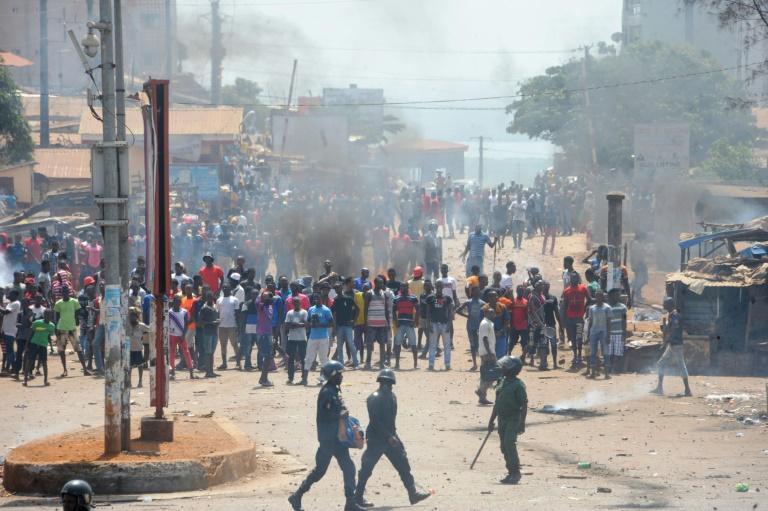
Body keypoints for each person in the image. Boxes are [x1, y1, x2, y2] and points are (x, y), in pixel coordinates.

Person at [289, 361, 365, 511]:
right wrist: (339, 414)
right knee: (320, 471)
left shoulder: (334, 390)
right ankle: (296, 496)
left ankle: (350, 503)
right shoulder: (326, 393)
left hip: (337, 439)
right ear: (332, 376)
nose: (342, 377)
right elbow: (324, 415)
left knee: (349, 468)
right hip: (328, 440)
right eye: (339, 374)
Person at [354, 369, 430, 508]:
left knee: (403, 464)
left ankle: (412, 493)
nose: (386, 385)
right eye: (386, 382)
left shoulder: (390, 396)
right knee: (366, 468)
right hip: (377, 439)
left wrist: (395, 438)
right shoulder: (374, 398)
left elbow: (391, 422)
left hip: (389, 437)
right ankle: (357, 496)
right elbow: (375, 421)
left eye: (388, 383)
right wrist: (390, 436)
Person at [487, 356, 528, 485]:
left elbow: (524, 404)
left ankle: (516, 472)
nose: (502, 368)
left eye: (505, 367)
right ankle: (510, 472)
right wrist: (491, 420)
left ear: (512, 370)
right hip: (502, 419)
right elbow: (497, 403)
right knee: (504, 446)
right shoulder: (501, 382)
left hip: (513, 418)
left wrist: (522, 422)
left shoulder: (518, 385)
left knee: (510, 442)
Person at [651, 297, 692, 396]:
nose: (664, 306)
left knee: (681, 366)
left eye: (665, 304)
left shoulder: (675, 316)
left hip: (676, 344)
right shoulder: (671, 315)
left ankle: (687, 390)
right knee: (661, 363)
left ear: (670, 305)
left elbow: (674, 331)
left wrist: (666, 341)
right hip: (672, 344)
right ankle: (659, 388)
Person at [53, 287, 89, 377]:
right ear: (61, 293)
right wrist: (56, 330)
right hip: (61, 328)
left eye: (66, 292)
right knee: (62, 350)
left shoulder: (74, 302)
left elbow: (78, 311)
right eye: (63, 292)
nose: (65, 293)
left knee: (79, 350)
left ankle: (85, 369)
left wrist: (76, 319)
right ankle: (65, 370)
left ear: (69, 292)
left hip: (72, 329)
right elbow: (56, 318)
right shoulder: (58, 304)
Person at [455, 285, 486, 371]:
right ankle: (475, 364)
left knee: (481, 345)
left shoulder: (483, 303)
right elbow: (457, 310)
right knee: (472, 345)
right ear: (472, 292)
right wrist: (467, 316)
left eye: (478, 291)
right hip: (471, 326)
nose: (477, 293)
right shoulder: (468, 302)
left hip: (480, 326)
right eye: (475, 291)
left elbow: (487, 313)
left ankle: (482, 364)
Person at [305, 294, 333, 384]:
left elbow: (331, 323)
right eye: (315, 298)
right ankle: (304, 379)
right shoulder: (311, 309)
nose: (316, 300)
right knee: (309, 357)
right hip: (312, 337)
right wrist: (311, 324)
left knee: (323, 358)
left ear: (322, 299)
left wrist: (320, 325)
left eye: (318, 298)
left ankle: (322, 379)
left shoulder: (326, 310)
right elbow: (308, 321)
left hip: (323, 337)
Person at [425, 280, 453, 371]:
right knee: (432, 345)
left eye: (441, 286)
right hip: (434, 324)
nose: (439, 287)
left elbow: (449, 312)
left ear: (443, 287)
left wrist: (449, 324)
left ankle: (447, 364)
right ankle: (431, 364)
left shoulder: (447, 298)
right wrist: (428, 325)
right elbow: (428, 313)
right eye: (438, 286)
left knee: (447, 345)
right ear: (435, 287)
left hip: (444, 324)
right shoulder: (430, 298)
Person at [364, 277, 391, 370]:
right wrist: (365, 322)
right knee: (370, 344)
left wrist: (387, 323)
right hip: (371, 323)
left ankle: (382, 363)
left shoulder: (385, 294)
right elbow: (365, 309)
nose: (382, 285)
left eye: (382, 283)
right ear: (375, 283)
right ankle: (368, 363)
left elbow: (386, 310)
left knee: (382, 344)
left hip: (382, 324)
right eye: (380, 283)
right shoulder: (369, 294)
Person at [562, 273, 588, 366]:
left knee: (579, 337)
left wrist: (584, 310)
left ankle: (580, 355)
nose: (574, 279)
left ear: (578, 279)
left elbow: (589, 299)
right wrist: (564, 320)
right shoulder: (566, 291)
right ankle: (575, 355)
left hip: (579, 318)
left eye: (576, 278)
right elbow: (565, 306)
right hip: (570, 318)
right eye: (573, 278)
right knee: (572, 338)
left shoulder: (583, 288)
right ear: (570, 279)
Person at [333, 277, 359, 368]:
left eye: (338, 287)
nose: (337, 289)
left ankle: (356, 363)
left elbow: (357, 310)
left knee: (351, 344)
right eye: (335, 288)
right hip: (339, 326)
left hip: (348, 326)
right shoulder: (335, 300)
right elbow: (334, 313)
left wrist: (354, 321)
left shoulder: (348, 299)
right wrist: (335, 325)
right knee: (339, 346)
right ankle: (341, 364)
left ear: (342, 288)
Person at [24, 309, 54, 386]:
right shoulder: (37, 323)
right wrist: (27, 345)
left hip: (43, 345)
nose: (48, 316)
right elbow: (30, 334)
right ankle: (25, 380)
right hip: (34, 344)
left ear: (51, 316)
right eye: (47, 315)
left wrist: (51, 347)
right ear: (44, 315)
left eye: (50, 315)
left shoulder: (52, 326)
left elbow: (49, 337)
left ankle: (45, 380)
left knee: (44, 363)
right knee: (30, 361)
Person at [392, 282, 418, 370]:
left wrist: (415, 322)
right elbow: (393, 311)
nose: (403, 288)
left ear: (408, 287)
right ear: (400, 288)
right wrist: (396, 322)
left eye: (405, 286)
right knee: (397, 344)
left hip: (410, 324)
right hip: (400, 324)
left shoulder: (413, 298)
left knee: (413, 344)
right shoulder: (396, 298)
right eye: (402, 286)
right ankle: (397, 363)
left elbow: (418, 310)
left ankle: (415, 364)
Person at [168, 295, 195, 381]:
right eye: (175, 302)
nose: (177, 304)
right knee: (171, 353)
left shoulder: (184, 312)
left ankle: (191, 372)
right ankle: (172, 372)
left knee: (186, 352)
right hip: (172, 335)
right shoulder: (169, 312)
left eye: (178, 302)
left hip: (181, 335)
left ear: (180, 303)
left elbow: (187, 323)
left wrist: (183, 334)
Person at [585, 290, 611, 379]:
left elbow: (609, 322)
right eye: (597, 296)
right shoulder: (592, 308)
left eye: (600, 296)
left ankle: (607, 373)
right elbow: (590, 322)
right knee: (593, 352)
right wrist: (588, 335)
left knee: (606, 352)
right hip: (593, 332)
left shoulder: (607, 308)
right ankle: (593, 373)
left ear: (603, 297)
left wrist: (609, 335)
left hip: (604, 332)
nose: (598, 298)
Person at [215, 284, 240, 370]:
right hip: (221, 326)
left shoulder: (235, 300)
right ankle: (224, 363)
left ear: (230, 289)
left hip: (232, 325)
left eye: (227, 287)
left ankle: (238, 363)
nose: (225, 289)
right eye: (224, 287)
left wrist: (238, 325)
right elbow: (217, 313)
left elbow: (237, 313)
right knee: (223, 345)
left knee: (235, 344)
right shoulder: (219, 300)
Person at [476, 308, 497, 405]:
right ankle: (481, 391)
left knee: (486, 373)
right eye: (491, 312)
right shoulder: (485, 323)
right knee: (492, 373)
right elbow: (485, 339)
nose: (493, 314)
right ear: (486, 313)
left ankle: (482, 396)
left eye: (493, 312)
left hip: (488, 351)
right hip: (487, 352)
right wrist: (490, 353)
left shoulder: (488, 323)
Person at [285, 296, 308, 385]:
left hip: (302, 338)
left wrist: (293, 324)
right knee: (291, 359)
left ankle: (304, 378)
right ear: (292, 303)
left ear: (300, 303)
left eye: (297, 302)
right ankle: (290, 378)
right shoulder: (289, 313)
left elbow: (306, 324)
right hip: (292, 339)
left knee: (303, 359)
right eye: (294, 302)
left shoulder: (304, 312)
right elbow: (287, 325)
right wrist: (299, 324)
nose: (296, 304)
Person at [198, 291, 220, 378]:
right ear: (207, 298)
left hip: (214, 332)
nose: (210, 299)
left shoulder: (215, 306)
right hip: (207, 333)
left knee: (211, 353)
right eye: (209, 297)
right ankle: (208, 372)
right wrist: (212, 323)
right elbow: (200, 322)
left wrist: (217, 321)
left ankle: (211, 371)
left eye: (211, 297)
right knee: (208, 353)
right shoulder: (204, 308)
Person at [126, 307, 149, 387]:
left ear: (137, 316)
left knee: (140, 366)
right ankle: (129, 382)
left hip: (138, 349)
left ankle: (140, 381)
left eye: (133, 315)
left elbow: (150, 329)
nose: (131, 317)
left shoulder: (141, 325)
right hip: (129, 350)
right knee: (129, 367)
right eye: (130, 315)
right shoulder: (127, 325)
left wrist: (144, 335)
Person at [507, 285, 529, 357]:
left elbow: (527, 314)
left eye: (522, 290)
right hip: (514, 326)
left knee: (525, 343)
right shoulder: (513, 301)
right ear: (516, 291)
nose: (521, 292)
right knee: (512, 342)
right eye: (519, 290)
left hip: (523, 326)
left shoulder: (526, 302)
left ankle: (523, 357)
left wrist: (527, 325)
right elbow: (509, 313)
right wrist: (510, 324)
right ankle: (508, 355)